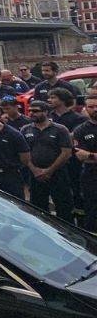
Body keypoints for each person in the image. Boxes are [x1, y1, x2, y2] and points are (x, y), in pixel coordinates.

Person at [23, 100, 74, 223]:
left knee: (64, 207)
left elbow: (66, 152)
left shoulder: (60, 129)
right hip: (35, 174)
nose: (31, 113)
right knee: (38, 209)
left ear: (46, 112)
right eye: (30, 111)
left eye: (35, 111)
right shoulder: (26, 129)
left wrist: (49, 171)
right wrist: (34, 170)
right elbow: (23, 152)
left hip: (57, 173)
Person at [72, 94, 97, 230]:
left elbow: (86, 155)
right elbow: (80, 156)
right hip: (91, 176)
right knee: (91, 211)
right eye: (91, 107)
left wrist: (90, 155)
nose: (95, 109)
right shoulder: (81, 130)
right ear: (86, 109)